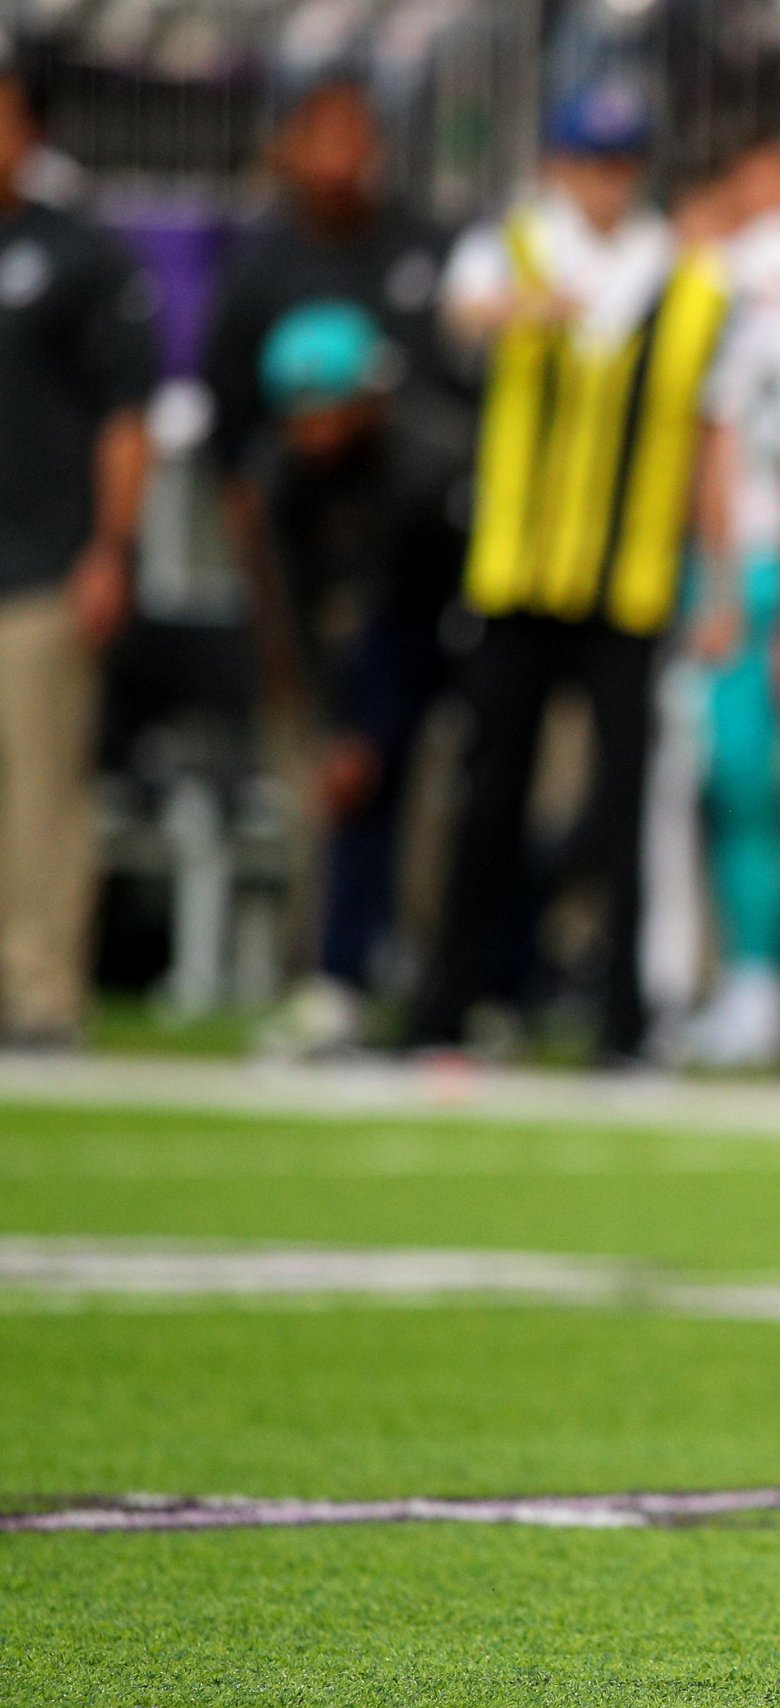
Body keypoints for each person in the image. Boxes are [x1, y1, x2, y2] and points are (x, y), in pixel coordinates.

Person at [411, 81, 734, 1063]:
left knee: (627, 806)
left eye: (621, 162)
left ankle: (621, 1020)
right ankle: (449, 1005)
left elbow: (707, 440)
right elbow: (458, 316)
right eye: (590, 161)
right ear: (558, 164)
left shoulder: (682, 278)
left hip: (630, 579)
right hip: (518, 572)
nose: (604, 182)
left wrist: (717, 578)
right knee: (489, 792)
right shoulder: (513, 247)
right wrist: (521, 307)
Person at [204, 71, 467, 1057]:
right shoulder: (280, 479)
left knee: (454, 782)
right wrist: (331, 713)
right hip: (372, 615)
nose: (314, 429)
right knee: (352, 779)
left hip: (453, 605)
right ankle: (344, 970)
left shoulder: (417, 465)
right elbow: (298, 587)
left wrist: (362, 717)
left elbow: (403, 585)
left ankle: (463, 979)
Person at [0, 52, 155, 1049]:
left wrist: (110, 548)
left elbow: (125, 416)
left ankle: (42, 989)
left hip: (41, 560)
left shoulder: (81, 255)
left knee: (40, 786)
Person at [677, 126, 780, 1071]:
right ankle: (757, 979)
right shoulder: (723, 280)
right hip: (750, 563)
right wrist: (726, 578)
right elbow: (717, 434)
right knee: (739, 781)